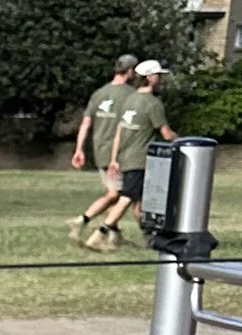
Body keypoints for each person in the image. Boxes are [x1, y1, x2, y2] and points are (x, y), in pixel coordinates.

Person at [76, 60, 178, 247]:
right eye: (158, 75)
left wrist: (114, 159)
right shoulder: (153, 103)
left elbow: (118, 132)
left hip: (123, 157)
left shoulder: (129, 100)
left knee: (137, 201)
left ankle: (149, 239)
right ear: (150, 78)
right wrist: (182, 140)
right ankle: (100, 234)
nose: (160, 79)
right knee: (126, 197)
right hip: (140, 159)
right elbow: (165, 133)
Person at [69, 52, 137, 244]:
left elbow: (86, 123)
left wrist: (79, 149)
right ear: (130, 71)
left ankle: (114, 235)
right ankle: (83, 220)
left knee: (116, 193)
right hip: (120, 152)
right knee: (119, 194)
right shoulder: (131, 95)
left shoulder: (99, 93)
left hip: (100, 150)